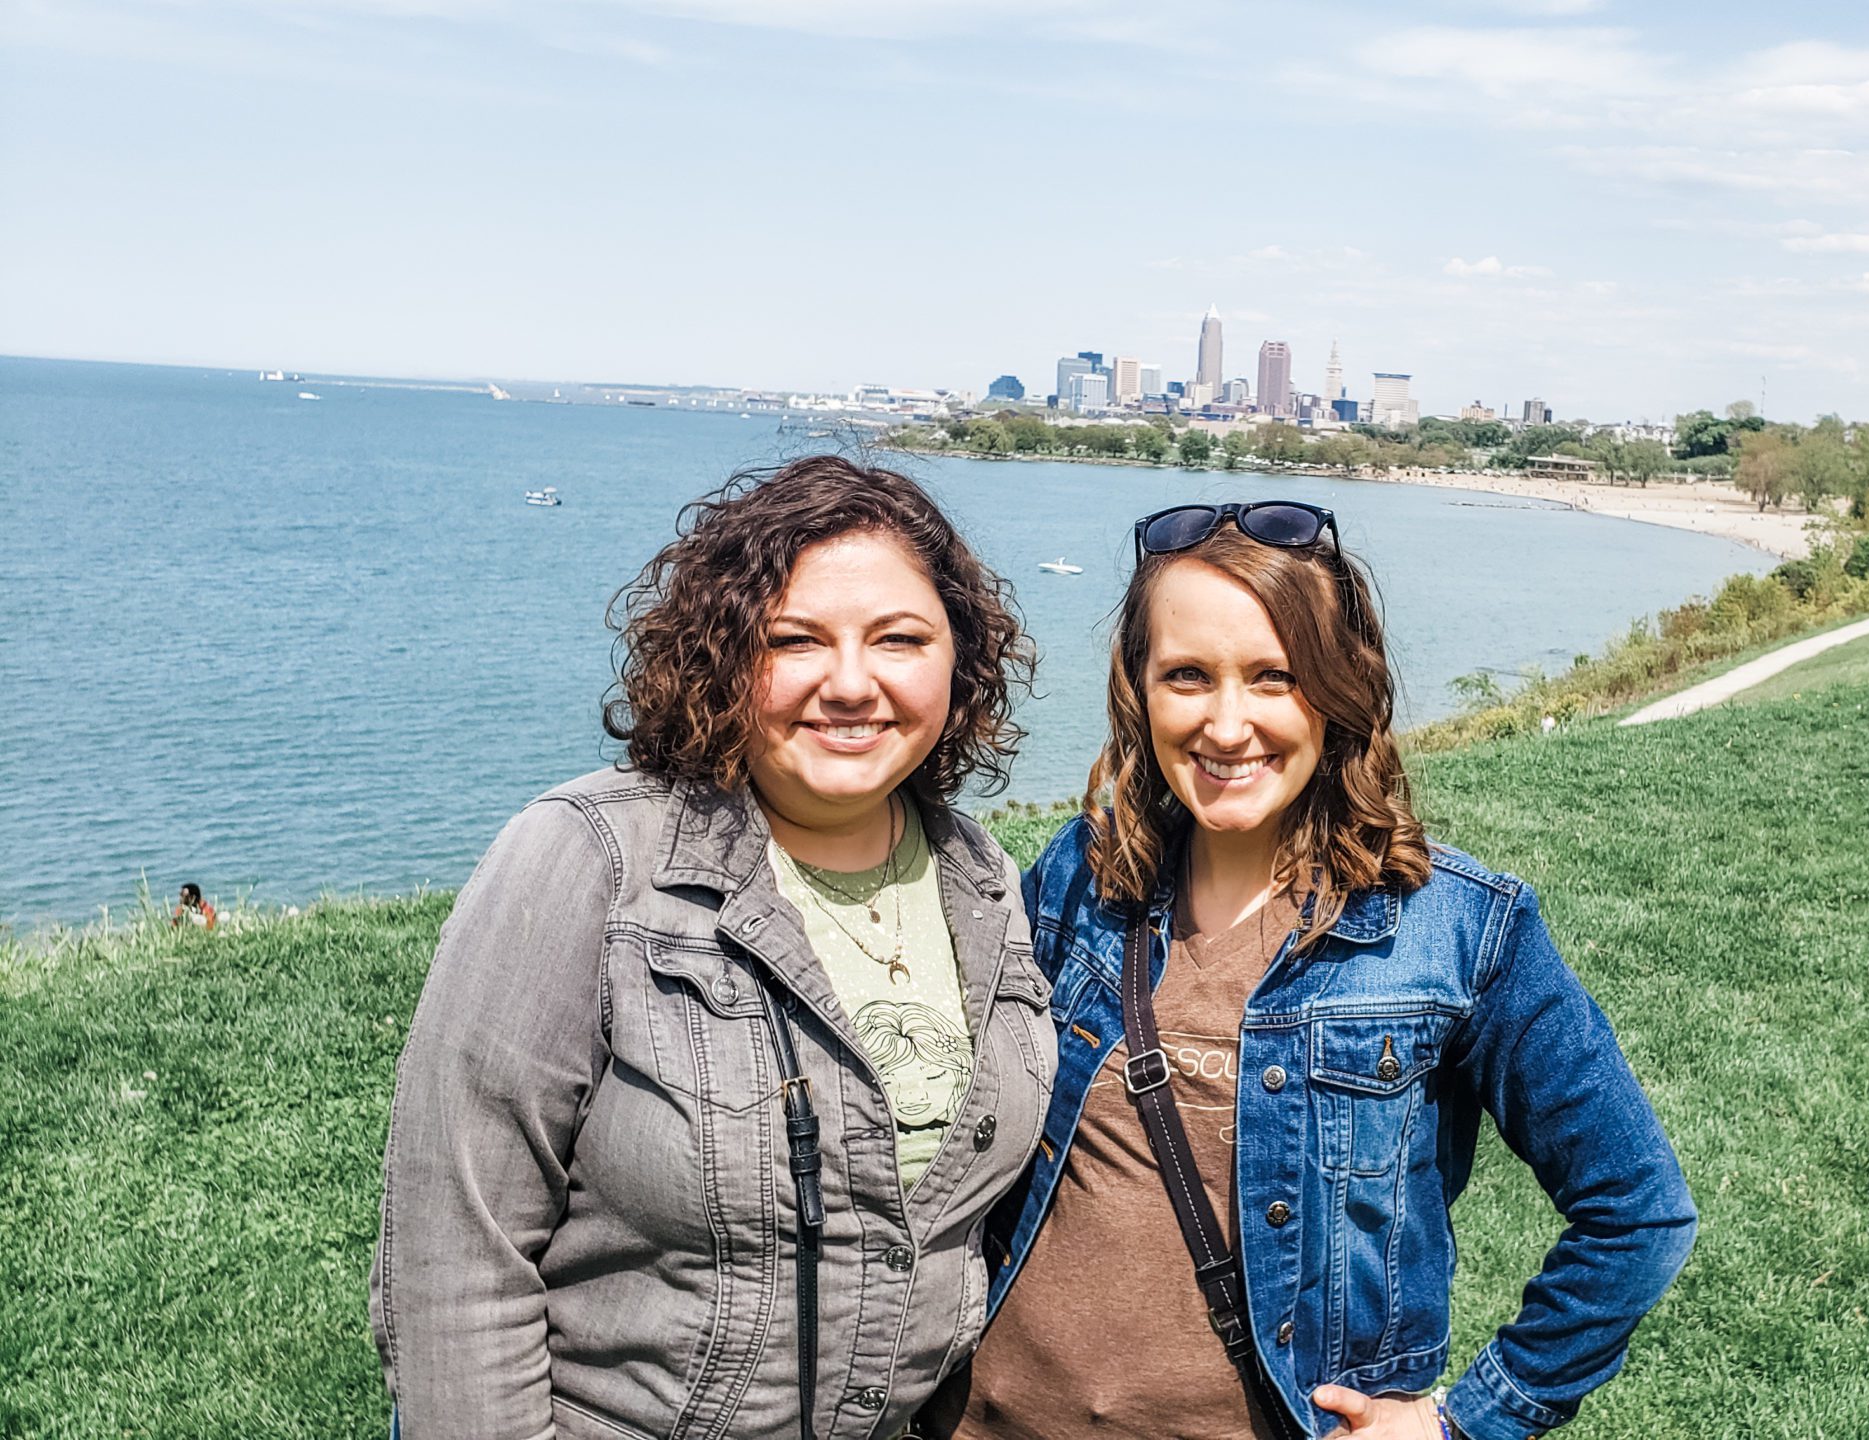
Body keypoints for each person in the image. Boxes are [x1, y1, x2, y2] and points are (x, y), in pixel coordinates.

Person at [946, 502, 1696, 1440]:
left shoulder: (1458, 930)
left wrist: (1463, 1422)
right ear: (1140, 690)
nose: (1227, 724)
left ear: (1342, 690)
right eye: (1187, 676)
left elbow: (1638, 1211)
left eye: (1275, 677)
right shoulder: (1082, 874)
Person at [370, 456, 1055, 1440]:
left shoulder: (978, 880)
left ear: (959, 659)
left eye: (899, 639)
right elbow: (453, 1258)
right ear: (724, 655)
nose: (850, 684)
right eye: (794, 640)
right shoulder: (593, 859)